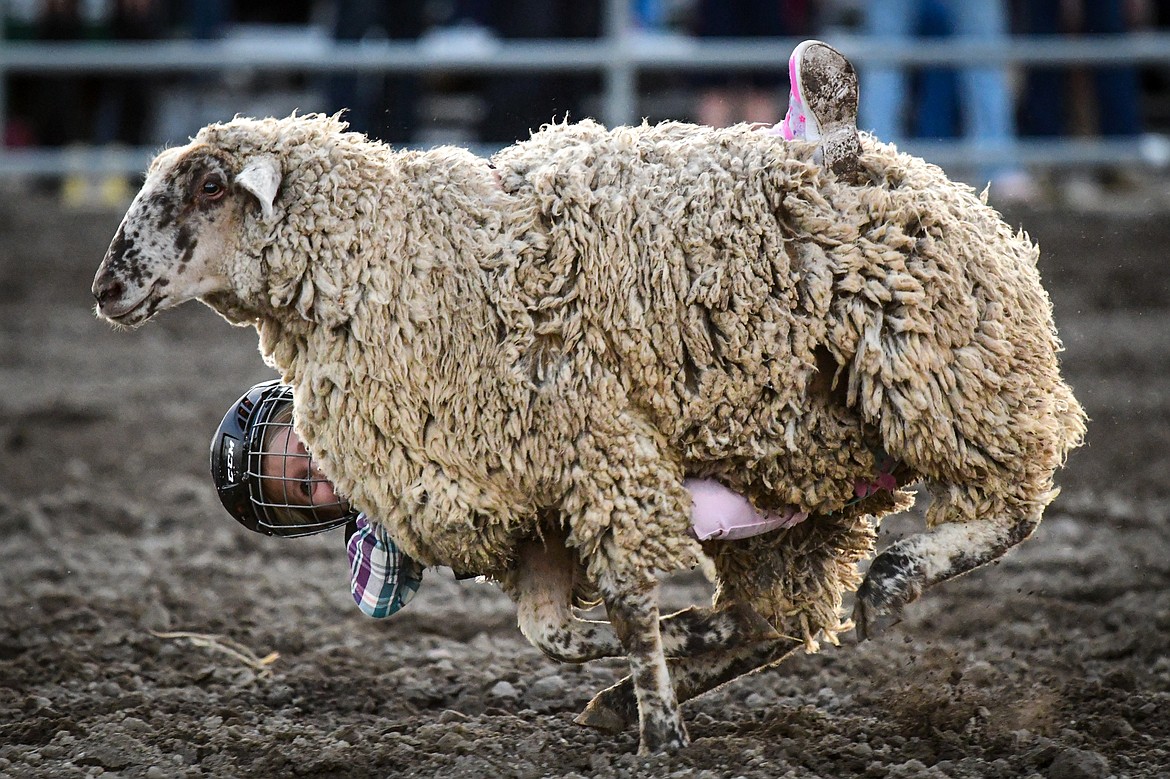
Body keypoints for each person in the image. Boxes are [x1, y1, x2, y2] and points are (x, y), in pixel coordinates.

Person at [206, 40, 871, 620]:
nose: (319, 467)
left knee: (627, 206)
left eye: (299, 444)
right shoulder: (392, 520)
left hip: (557, 337)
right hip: (581, 460)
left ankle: (787, 158)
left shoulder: (371, 357)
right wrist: (383, 504)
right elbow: (376, 596)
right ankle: (827, 481)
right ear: (322, 517)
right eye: (306, 489)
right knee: (685, 500)